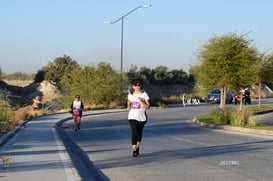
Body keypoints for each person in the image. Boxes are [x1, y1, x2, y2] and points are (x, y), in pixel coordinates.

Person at [127, 80, 150, 157]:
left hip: (142, 117)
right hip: (132, 117)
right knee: (134, 132)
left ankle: (137, 147)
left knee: (139, 133)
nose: (137, 87)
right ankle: (134, 149)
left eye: (138, 85)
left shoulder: (144, 94)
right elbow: (129, 101)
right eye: (135, 85)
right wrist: (129, 105)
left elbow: (148, 107)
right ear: (133, 86)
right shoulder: (130, 94)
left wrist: (142, 102)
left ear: (140, 86)